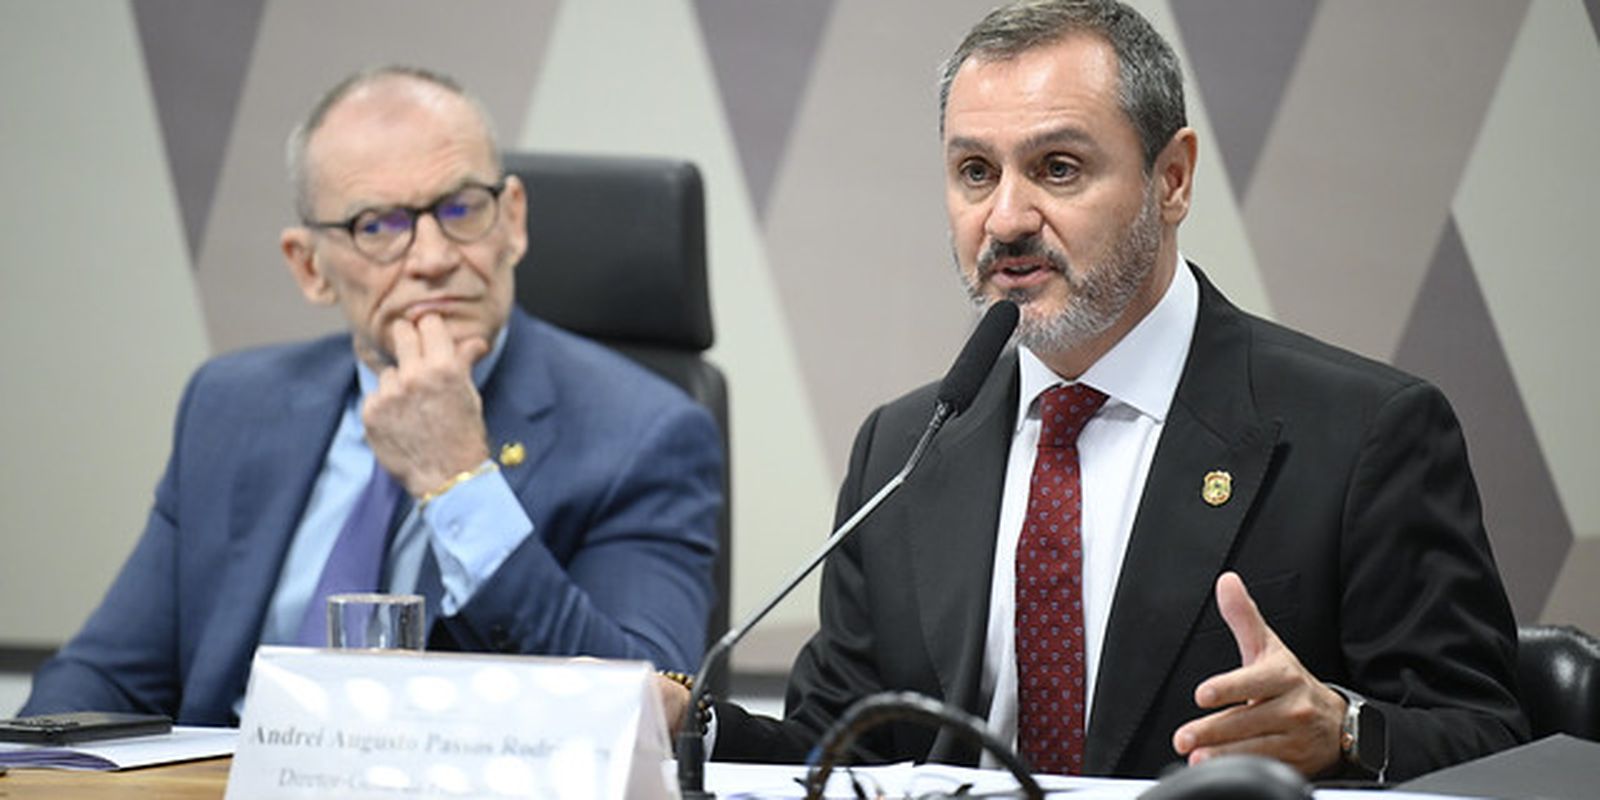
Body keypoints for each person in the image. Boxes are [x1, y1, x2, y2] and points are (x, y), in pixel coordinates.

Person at [671, 0, 1524, 782]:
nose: (1006, 219)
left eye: (1058, 168)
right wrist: (689, 723)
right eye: (975, 171)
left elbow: (1493, 743)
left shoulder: (1364, 435)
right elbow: (835, 748)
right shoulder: (904, 449)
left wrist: (1345, 729)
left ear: (1173, 178)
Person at [24, 66, 723, 725]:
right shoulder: (232, 405)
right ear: (309, 266)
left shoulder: (644, 432)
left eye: (461, 209)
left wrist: (458, 481)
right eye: (379, 226)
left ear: (512, 219)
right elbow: (108, 677)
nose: (433, 258)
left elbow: (641, 709)